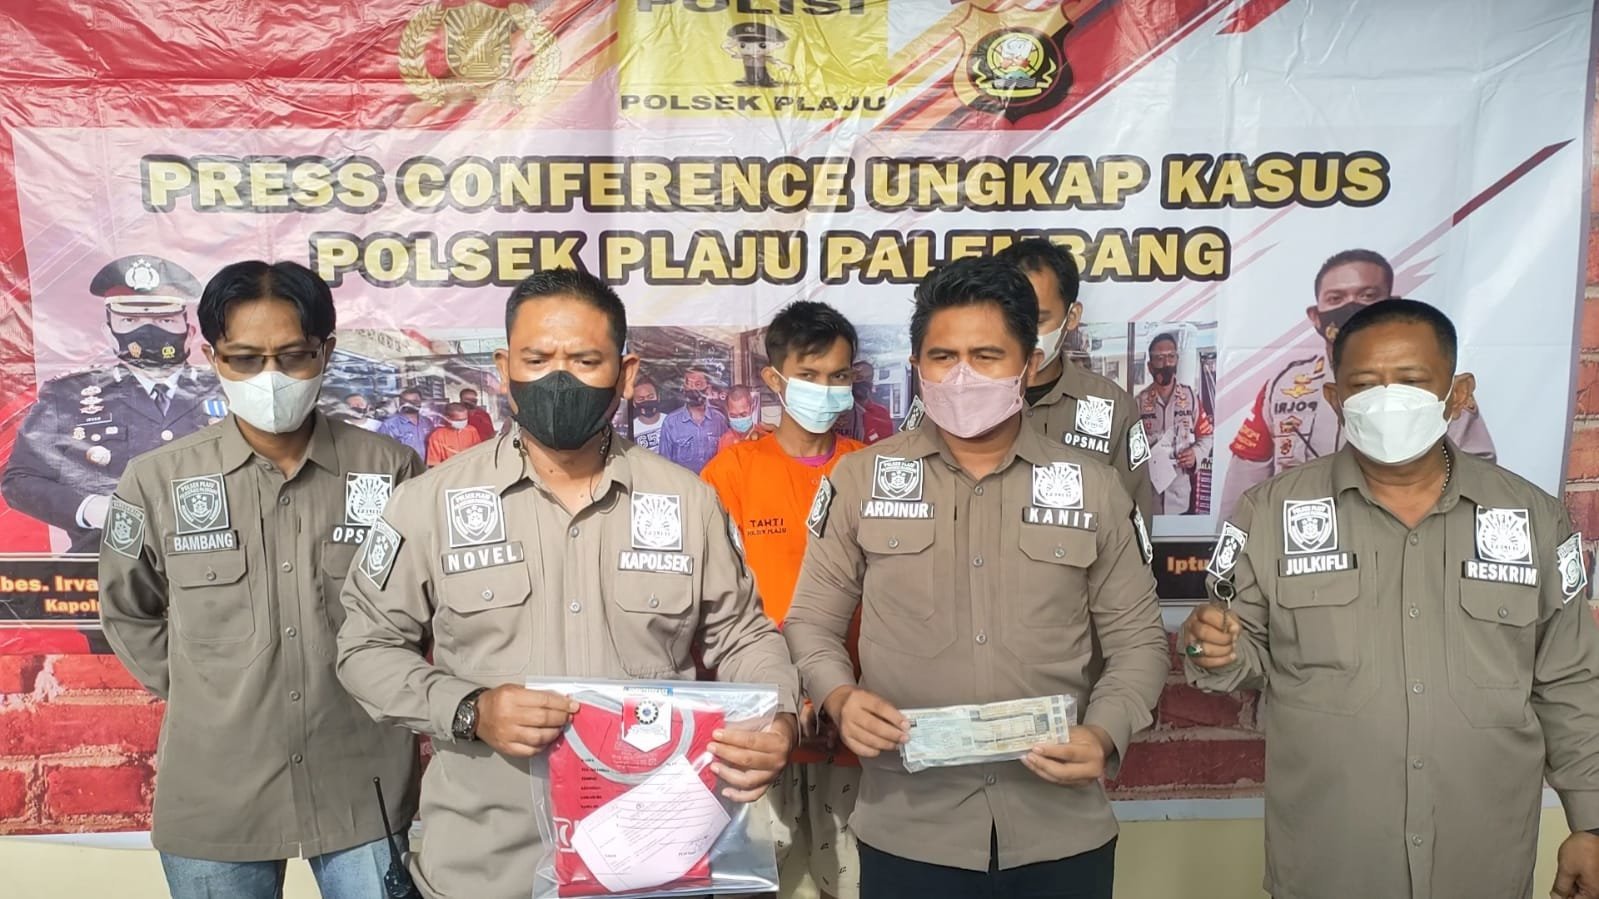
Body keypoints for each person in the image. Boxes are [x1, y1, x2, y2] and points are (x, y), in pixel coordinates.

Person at [335, 268, 801, 899]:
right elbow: (366, 648)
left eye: (584, 360)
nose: (559, 380)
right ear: (504, 369)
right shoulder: (428, 505)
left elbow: (743, 634)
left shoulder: (687, 502)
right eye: (537, 360)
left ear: (627, 374)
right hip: (486, 869)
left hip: (650, 860)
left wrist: (776, 717)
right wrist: (470, 709)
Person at [1181, 299, 1599, 899]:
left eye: (1411, 381)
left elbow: (1571, 679)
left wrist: (1591, 823)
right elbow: (1241, 656)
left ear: (1458, 394)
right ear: (1335, 399)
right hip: (1330, 862)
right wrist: (1211, 648)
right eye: (1364, 385)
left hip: (1483, 861)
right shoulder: (1269, 512)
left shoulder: (1534, 518)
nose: (1387, 400)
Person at [785, 257, 1168, 899]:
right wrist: (839, 697)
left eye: (987, 356)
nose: (962, 375)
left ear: (1028, 364)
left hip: (1059, 830)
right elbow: (810, 624)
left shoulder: (1093, 488)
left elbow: (1140, 643)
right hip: (909, 830)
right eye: (943, 357)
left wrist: (1105, 732)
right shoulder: (860, 481)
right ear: (917, 365)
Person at [96, 260, 423, 899]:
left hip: (365, 785)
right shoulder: (156, 480)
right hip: (217, 793)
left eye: (292, 356)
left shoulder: (391, 471)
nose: (269, 377)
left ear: (325, 352)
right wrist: (209, 689)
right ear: (212, 357)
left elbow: (423, 609)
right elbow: (127, 610)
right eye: (244, 359)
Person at [702, 301, 866, 899]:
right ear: (775, 379)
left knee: (852, 879)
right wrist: (787, 704)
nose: (826, 389)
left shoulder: (870, 470)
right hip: (760, 725)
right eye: (809, 375)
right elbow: (716, 605)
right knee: (752, 882)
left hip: (852, 721)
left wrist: (839, 698)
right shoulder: (731, 473)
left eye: (838, 376)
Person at [1218, 248, 1495, 522]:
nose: (1351, 306)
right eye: (1336, 298)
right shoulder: (1283, 386)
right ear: (1315, 315)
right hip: (1299, 539)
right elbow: (1244, 487)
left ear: (1391, 302)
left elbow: (1478, 479)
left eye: (1367, 296)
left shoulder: (1434, 385)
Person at [2, 255, 225, 552]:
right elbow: (20, 480)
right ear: (109, 333)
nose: (148, 331)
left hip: (213, 557)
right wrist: (90, 508)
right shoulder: (68, 395)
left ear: (189, 332)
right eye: (130, 321)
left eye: (164, 320)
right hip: (104, 559)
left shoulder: (227, 388)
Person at [996, 238, 1154, 524]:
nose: (1022, 334)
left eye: (1038, 320)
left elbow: (1134, 519)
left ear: (1072, 316)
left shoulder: (1114, 407)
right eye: (1010, 319)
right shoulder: (958, 396)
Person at [1135, 333, 1213, 515]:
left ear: (1177, 360)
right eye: (1159, 358)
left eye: (1171, 356)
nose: (1166, 363)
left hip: (1180, 499)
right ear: (1150, 366)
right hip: (1150, 499)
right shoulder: (1139, 402)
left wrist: (1195, 454)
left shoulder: (1190, 398)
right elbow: (1130, 448)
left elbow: (1206, 437)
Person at [660, 366, 729, 474]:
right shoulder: (671, 422)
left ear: (708, 389)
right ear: (684, 388)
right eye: (689, 384)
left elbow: (726, 459)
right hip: (683, 484)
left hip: (712, 483)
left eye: (698, 384)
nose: (693, 389)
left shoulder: (719, 420)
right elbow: (664, 465)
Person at [833, 360, 894, 445]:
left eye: (868, 378)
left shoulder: (881, 413)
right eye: (859, 377)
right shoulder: (836, 411)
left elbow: (888, 446)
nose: (864, 382)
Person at [377, 385, 435, 459]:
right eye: (406, 401)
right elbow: (384, 452)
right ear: (400, 402)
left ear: (420, 402)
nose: (409, 404)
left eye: (415, 401)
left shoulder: (427, 422)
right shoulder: (390, 425)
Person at [426, 401, 484, 465]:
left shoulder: (472, 431)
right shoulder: (437, 436)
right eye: (459, 420)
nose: (463, 422)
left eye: (465, 419)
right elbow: (433, 463)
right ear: (447, 418)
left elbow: (478, 453)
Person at [717, 384, 772, 452]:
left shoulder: (764, 436)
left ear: (752, 409)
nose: (738, 419)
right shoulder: (725, 441)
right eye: (733, 416)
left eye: (743, 415)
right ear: (727, 411)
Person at [630, 378, 665, 452]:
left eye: (650, 397)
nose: (646, 401)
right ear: (634, 403)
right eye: (641, 399)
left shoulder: (671, 422)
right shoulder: (631, 429)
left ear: (658, 397)